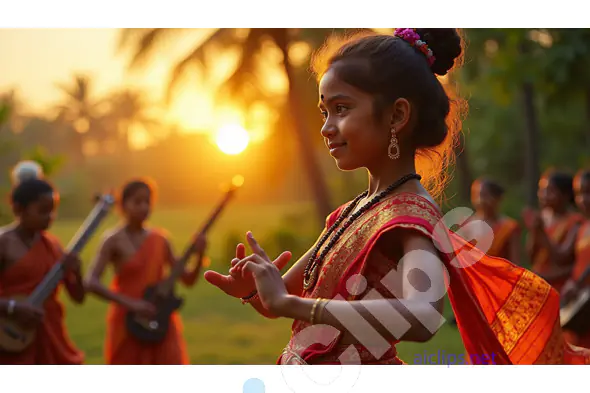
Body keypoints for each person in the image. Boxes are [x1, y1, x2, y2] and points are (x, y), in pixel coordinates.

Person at [205, 28, 590, 365]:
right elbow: (281, 300)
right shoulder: (350, 212)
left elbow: (423, 317)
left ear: (396, 116)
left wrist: (289, 304)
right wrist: (254, 290)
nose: (326, 127)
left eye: (341, 109)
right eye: (324, 111)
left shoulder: (411, 212)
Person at [84, 178, 208, 365]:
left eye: (147, 202)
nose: (144, 207)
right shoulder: (112, 240)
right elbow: (91, 282)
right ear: (123, 205)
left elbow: (187, 279)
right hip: (128, 321)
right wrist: (132, 304)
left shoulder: (161, 239)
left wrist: (199, 255)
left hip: (160, 319)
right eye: (137, 201)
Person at [0, 177, 85, 364]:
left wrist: (77, 272)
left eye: (52, 210)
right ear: (18, 209)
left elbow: (78, 298)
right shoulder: (4, 243)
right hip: (12, 333)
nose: (50, 217)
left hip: (50, 332)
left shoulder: (53, 245)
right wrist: (14, 307)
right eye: (43, 210)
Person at [524, 170, 583, 293]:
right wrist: (535, 231)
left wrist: (541, 233)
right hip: (537, 284)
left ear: (565, 195)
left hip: (560, 286)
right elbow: (531, 256)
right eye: (542, 190)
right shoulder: (541, 218)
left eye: (550, 191)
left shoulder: (575, 221)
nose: (543, 195)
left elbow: (563, 258)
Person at [562, 169, 590, 347]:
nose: (583, 199)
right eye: (579, 193)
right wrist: (572, 283)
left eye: (588, 192)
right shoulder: (582, 228)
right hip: (580, 305)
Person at [468, 178, 520, 263]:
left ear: (497, 198)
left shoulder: (509, 227)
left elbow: (514, 264)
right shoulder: (467, 226)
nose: (479, 200)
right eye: (475, 195)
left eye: (484, 195)